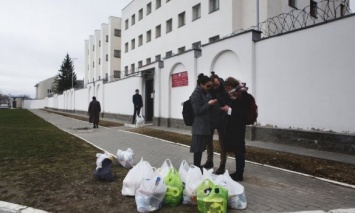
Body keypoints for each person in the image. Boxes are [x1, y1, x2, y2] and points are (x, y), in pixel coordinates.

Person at [201, 71, 231, 174]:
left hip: (222, 120)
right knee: (208, 142)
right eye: (213, 86)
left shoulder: (225, 89)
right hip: (211, 120)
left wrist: (225, 113)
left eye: (216, 85)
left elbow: (230, 104)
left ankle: (222, 165)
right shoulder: (209, 90)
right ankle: (209, 161)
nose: (214, 87)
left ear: (219, 81)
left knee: (222, 143)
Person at [220, 77, 249, 181]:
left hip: (239, 126)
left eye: (228, 88)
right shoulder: (235, 94)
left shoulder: (242, 95)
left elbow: (242, 112)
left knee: (240, 150)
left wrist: (229, 110)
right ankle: (238, 172)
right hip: (234, 126)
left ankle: (239, 173)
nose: (227, 90)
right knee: (237, 150)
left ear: (232, 86)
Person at [190, 73, 218, 170]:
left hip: (205, 126)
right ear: (201, 84)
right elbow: (197, 111)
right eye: (207, 86)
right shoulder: (196, 94)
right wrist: (209, 104)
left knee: (201, 148)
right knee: (197, 149)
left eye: (210, 86)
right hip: (198, 127)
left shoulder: (206, 92)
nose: (209, 88)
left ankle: (197, 168)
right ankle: (196, 168)